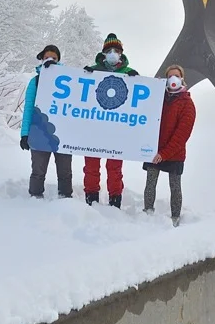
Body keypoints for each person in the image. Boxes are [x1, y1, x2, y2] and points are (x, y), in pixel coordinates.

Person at [81, 33, 138, 207]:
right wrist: (85, 75)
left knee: (114, 167)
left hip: (116, 131)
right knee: (91, 166)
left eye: (116, 50)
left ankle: (115, 199)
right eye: (109, 50)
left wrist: (138, 81)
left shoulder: (129, 73)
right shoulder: (94, 70)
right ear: (104, 53)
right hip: (94, 128)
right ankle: (91, 197)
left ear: (121, 53)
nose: (112, 53)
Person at [144, 64, 196, 226]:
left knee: (175, 186)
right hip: (154, 151)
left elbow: (182, 135)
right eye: (170, 76)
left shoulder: (187, 104)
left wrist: (164, 154)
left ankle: (175, 218)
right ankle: (147, 214)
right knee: (150, 183)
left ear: (182, 79)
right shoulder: (157, 99)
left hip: (174, 153)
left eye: (177, 75)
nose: (173, 79)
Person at [21, 44, 73, 199]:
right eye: (46, 58)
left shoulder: (70, 80)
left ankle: (65, 198)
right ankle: (35, 197)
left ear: (59, 60)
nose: (50, 60)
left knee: (65, 171)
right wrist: (25, 134)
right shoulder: (35, 81)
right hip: (39, 132)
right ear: (41, 60)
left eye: (54, 58)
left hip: (62, 133)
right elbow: (29, 108)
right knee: (38, 170)